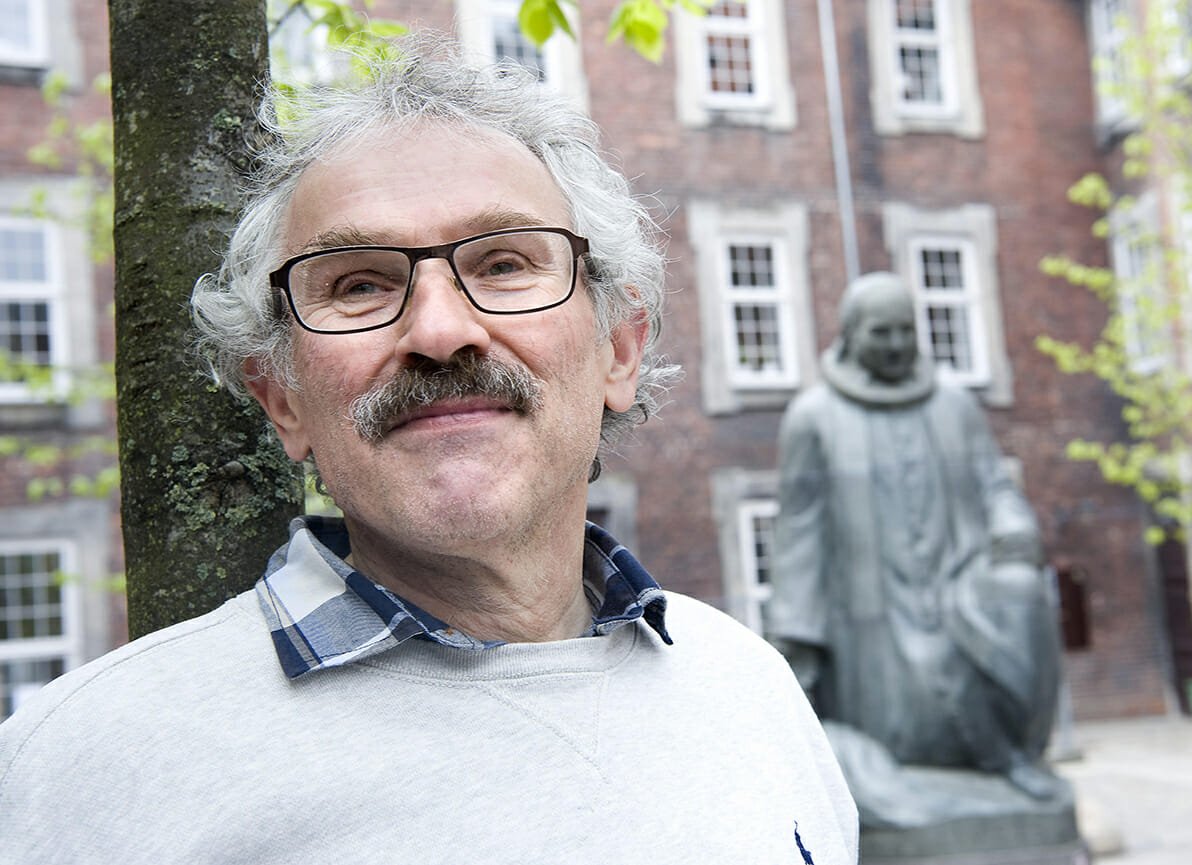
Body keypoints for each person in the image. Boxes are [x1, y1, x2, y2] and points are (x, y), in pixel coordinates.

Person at [0, 38, 857, 863]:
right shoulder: (86, 768)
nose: (441, 331)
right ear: (281, 397)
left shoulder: (749, 687)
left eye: (504, 264)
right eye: (359, 283)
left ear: (619, 351)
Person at [767, 272, 1062, 814]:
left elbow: (995, 486)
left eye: (906, 330)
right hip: (871, 608)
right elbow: (798, 535)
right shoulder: (814, 418)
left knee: (1017, 605)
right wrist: (796, 638)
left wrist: (1013, 531)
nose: (897, 344)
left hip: (958, 583)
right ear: (852, 334)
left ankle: (1013, 755)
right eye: (882, 333)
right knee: (904, 719)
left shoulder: (956, 406)